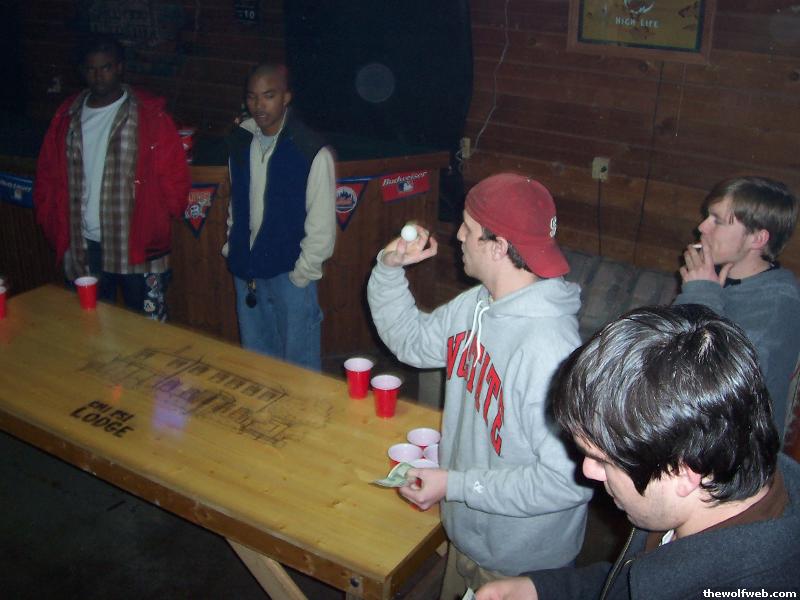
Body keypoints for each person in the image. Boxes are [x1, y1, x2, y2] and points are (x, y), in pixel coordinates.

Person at [476, 304, 800, 600]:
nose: (587, 470)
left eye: (603, 460)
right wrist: (544, 590)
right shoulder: (702, 483)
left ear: (682, 473)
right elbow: (639, 580)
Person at [367, 173, 592, 598]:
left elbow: (568, 482)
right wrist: (389, 270)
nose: (458, 237)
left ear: (498, 246)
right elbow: (412, 341)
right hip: (470, 531)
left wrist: (454, 485)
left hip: (520, 565)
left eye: (468, 229)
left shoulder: (550, 352)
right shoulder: (480, 304)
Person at [34, 34, 191, 320]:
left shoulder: (148, 114)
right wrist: (52, 223)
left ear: (119, 67)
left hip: (137, 244)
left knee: (147, 329)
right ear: (83, 71)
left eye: (105, 67)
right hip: (84, 245)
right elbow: (47, 175)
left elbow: (175, 175)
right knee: (91, 326)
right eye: (91, 69)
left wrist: (159, 218)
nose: (98, 76)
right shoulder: (67, 116)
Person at [222, 63, 335, 371]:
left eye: (268, 96)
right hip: (247, 271)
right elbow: (236, 202)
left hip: (291, 275)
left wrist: (303, 274)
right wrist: (233, 248)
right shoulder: (239, 142)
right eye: (252, 96)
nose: (259, 105)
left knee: (300, 370)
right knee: (258, 366)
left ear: (286, 97)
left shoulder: (311, 150)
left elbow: (322, 225)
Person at [675, 176, 800, 437]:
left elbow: (709, 382)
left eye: (717, 221)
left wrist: (699, 294)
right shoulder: (716, 279)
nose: (702, 227)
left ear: (757, 239)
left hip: (734, 446)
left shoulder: (778, 306)